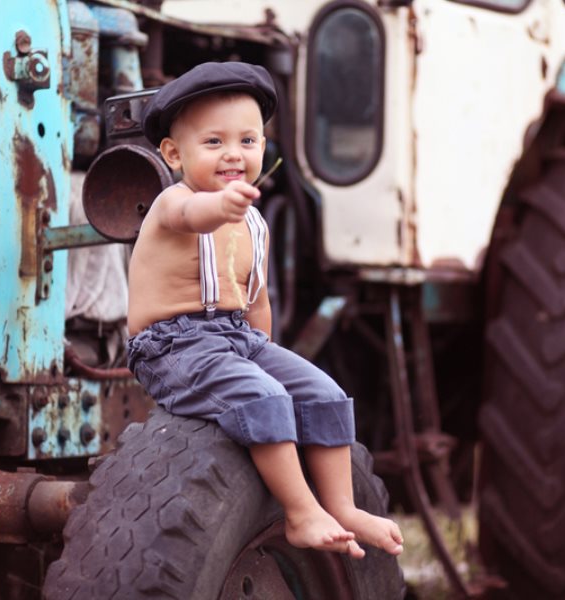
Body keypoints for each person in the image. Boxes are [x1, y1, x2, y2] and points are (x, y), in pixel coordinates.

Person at [126, 61, 403, 557]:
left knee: (322, 391)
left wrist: (266, 350)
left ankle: (341, 505)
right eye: (214, 143)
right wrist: (222, 205)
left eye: (248, 142)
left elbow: (256, 299)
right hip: (172, 347)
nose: (233, 154)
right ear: (173, 153)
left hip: (237, 339)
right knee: (264, 396)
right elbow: (196, 215)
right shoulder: (174, 202)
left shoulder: (254, 222)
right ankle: (300, 513)